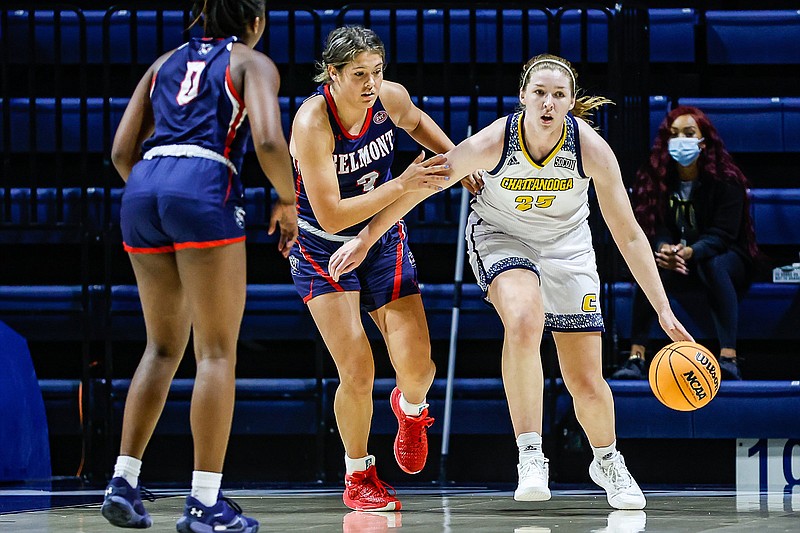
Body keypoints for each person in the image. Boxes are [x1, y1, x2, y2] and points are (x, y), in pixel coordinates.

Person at [328, 53, 694, 510]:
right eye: (539, 92)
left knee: (585, 378)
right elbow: (425, 184)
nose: (547, 102)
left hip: (567, 247)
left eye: (558, 95)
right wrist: (365, 240)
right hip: (502, 237)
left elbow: (628, 233)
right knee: (524, 317)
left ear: (570, 102)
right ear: (523, 98)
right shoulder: (497, 140)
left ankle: (606, 458)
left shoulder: (591, 149)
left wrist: (661, 307)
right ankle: (530, 452)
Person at [100, 1, 296, 531]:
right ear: (256, 21)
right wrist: (289, 198)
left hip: (143, 188)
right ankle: (205, 501)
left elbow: (122, 151)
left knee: (162, 347)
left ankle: (123, 479)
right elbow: (271, 140)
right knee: (215, 352)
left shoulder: (162, 63)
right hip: (204, 181)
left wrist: (158, 193)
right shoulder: (252, 63)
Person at [288, 25, 458, 512]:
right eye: (359, 74)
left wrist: (454, 163)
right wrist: (405, 183)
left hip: (380, 237)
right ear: (332, 75)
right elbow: (332, 214)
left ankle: (410, 409)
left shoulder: (389, 97)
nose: (370, 83)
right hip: (323, 248)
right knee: (357, 370)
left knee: (419, 368)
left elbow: (417, 120)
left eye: (377, 71)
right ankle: (358, 473)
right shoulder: (312, 123)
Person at [611, 106, 759, 382]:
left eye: (689, 134)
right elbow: (657, 224)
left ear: (703, 141)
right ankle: (636, 356)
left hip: (726, 256)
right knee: (649, 268)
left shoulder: (727, 180)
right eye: (674, 134)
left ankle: (728, 357)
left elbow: (723, 234)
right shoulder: (658, 178)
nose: (681, 140)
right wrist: (666, 248)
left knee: (713, 264)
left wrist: (690, 251)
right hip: (680, 257)